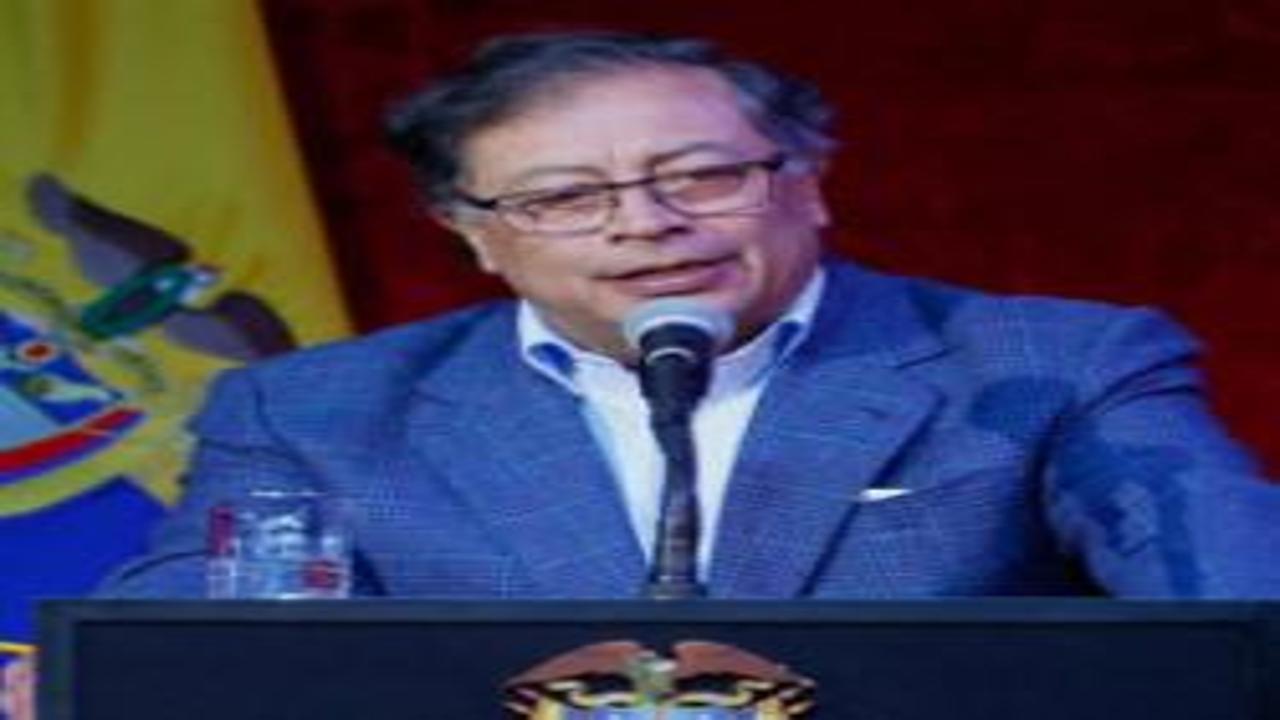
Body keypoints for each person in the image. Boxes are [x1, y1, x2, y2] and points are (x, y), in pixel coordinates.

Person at [94, 31, 1280, 599]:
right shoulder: (312, 411)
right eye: (566, 197)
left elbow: (1239, 613)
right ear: (475, 235)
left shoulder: (1048, 367)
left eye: (701, 176)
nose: (645, 224)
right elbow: (194, 641)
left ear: (805, 184)